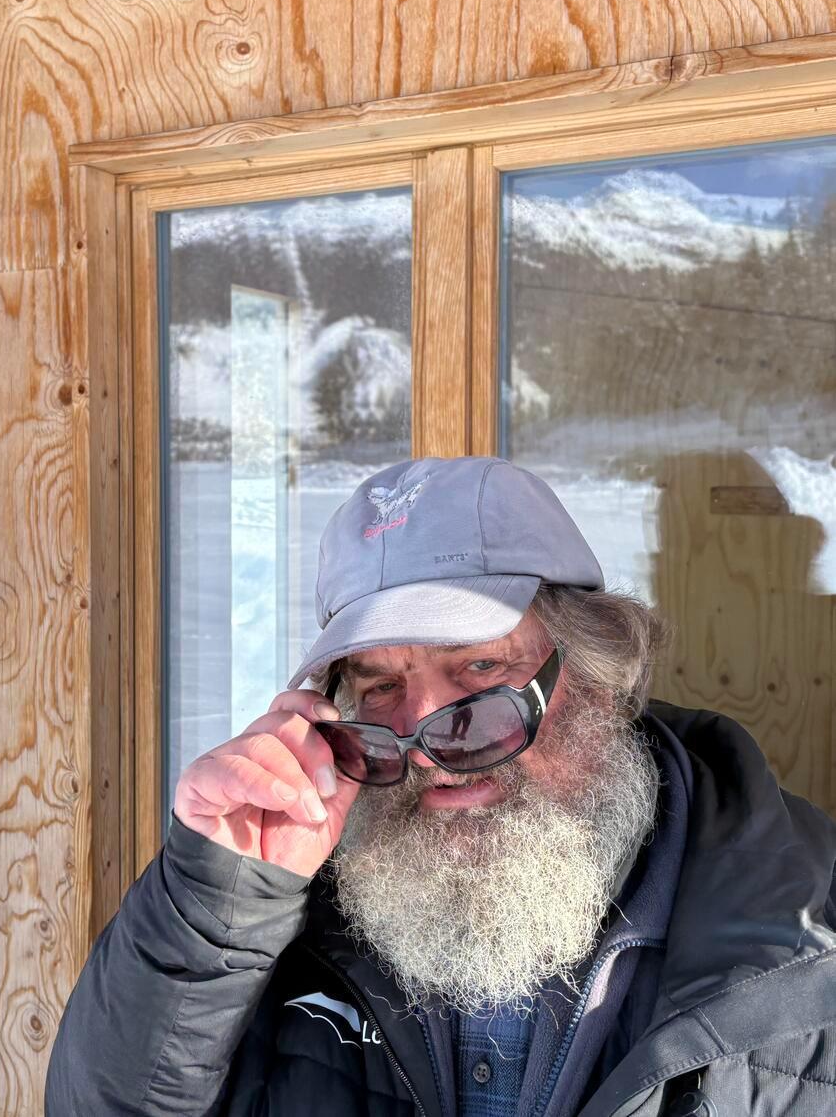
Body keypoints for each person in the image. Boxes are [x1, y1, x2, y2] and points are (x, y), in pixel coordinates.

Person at [46, 456, 836, 1117]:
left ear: (600, 672)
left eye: (481, 670)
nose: (429, 748)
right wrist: (216, 899)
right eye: (381, 687)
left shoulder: (802, 940)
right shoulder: (294, 906)